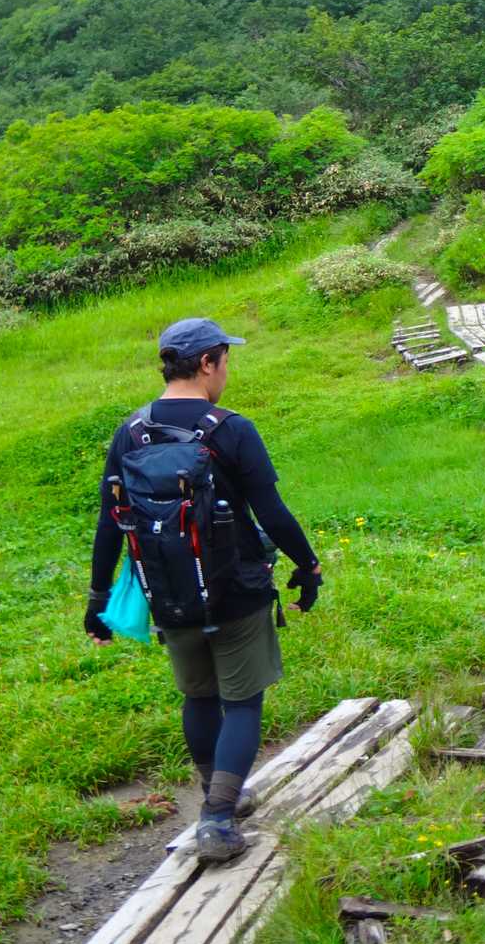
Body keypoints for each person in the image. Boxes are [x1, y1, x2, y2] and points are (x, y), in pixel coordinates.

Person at [85, 318, 322, 864]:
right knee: (242, 701)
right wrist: (307, 566)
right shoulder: (231, 429)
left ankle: (219, 792)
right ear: (208, 363)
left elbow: (109, 523)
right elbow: (271, 513)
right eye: (225, 361)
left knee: (199, 697)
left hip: (168, 593)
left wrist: (97, 601)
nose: (226, 372)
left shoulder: (130, 432)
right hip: (235, 589)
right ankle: (217, 816)